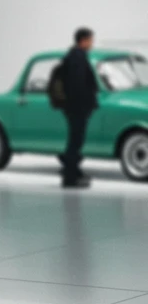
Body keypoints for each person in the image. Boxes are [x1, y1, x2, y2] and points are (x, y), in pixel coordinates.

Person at [60, 27, 99, 189]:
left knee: (76, 140)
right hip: (77, 108)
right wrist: (84, 105)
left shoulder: (75, 56)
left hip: (75, 107)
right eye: (90, 40)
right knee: (75, 140)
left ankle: (73, 172)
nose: (92, 43)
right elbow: (78, 84)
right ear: (83, 40)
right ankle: (70, 176)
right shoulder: (77, 57)